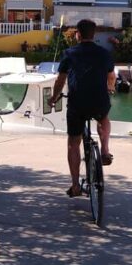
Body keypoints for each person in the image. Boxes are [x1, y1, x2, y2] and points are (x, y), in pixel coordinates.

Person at [49, 19, 115, 198]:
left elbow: (60, 80)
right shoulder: (104, 53)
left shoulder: (69, 53)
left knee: (73, 143)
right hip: (99, 101)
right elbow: (111, 77)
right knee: (103, 118)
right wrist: (110, 88)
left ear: (78, 34)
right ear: (94, 35)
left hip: (77, 103)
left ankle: (75, 185)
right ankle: (105, 150)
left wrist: (53, 98)